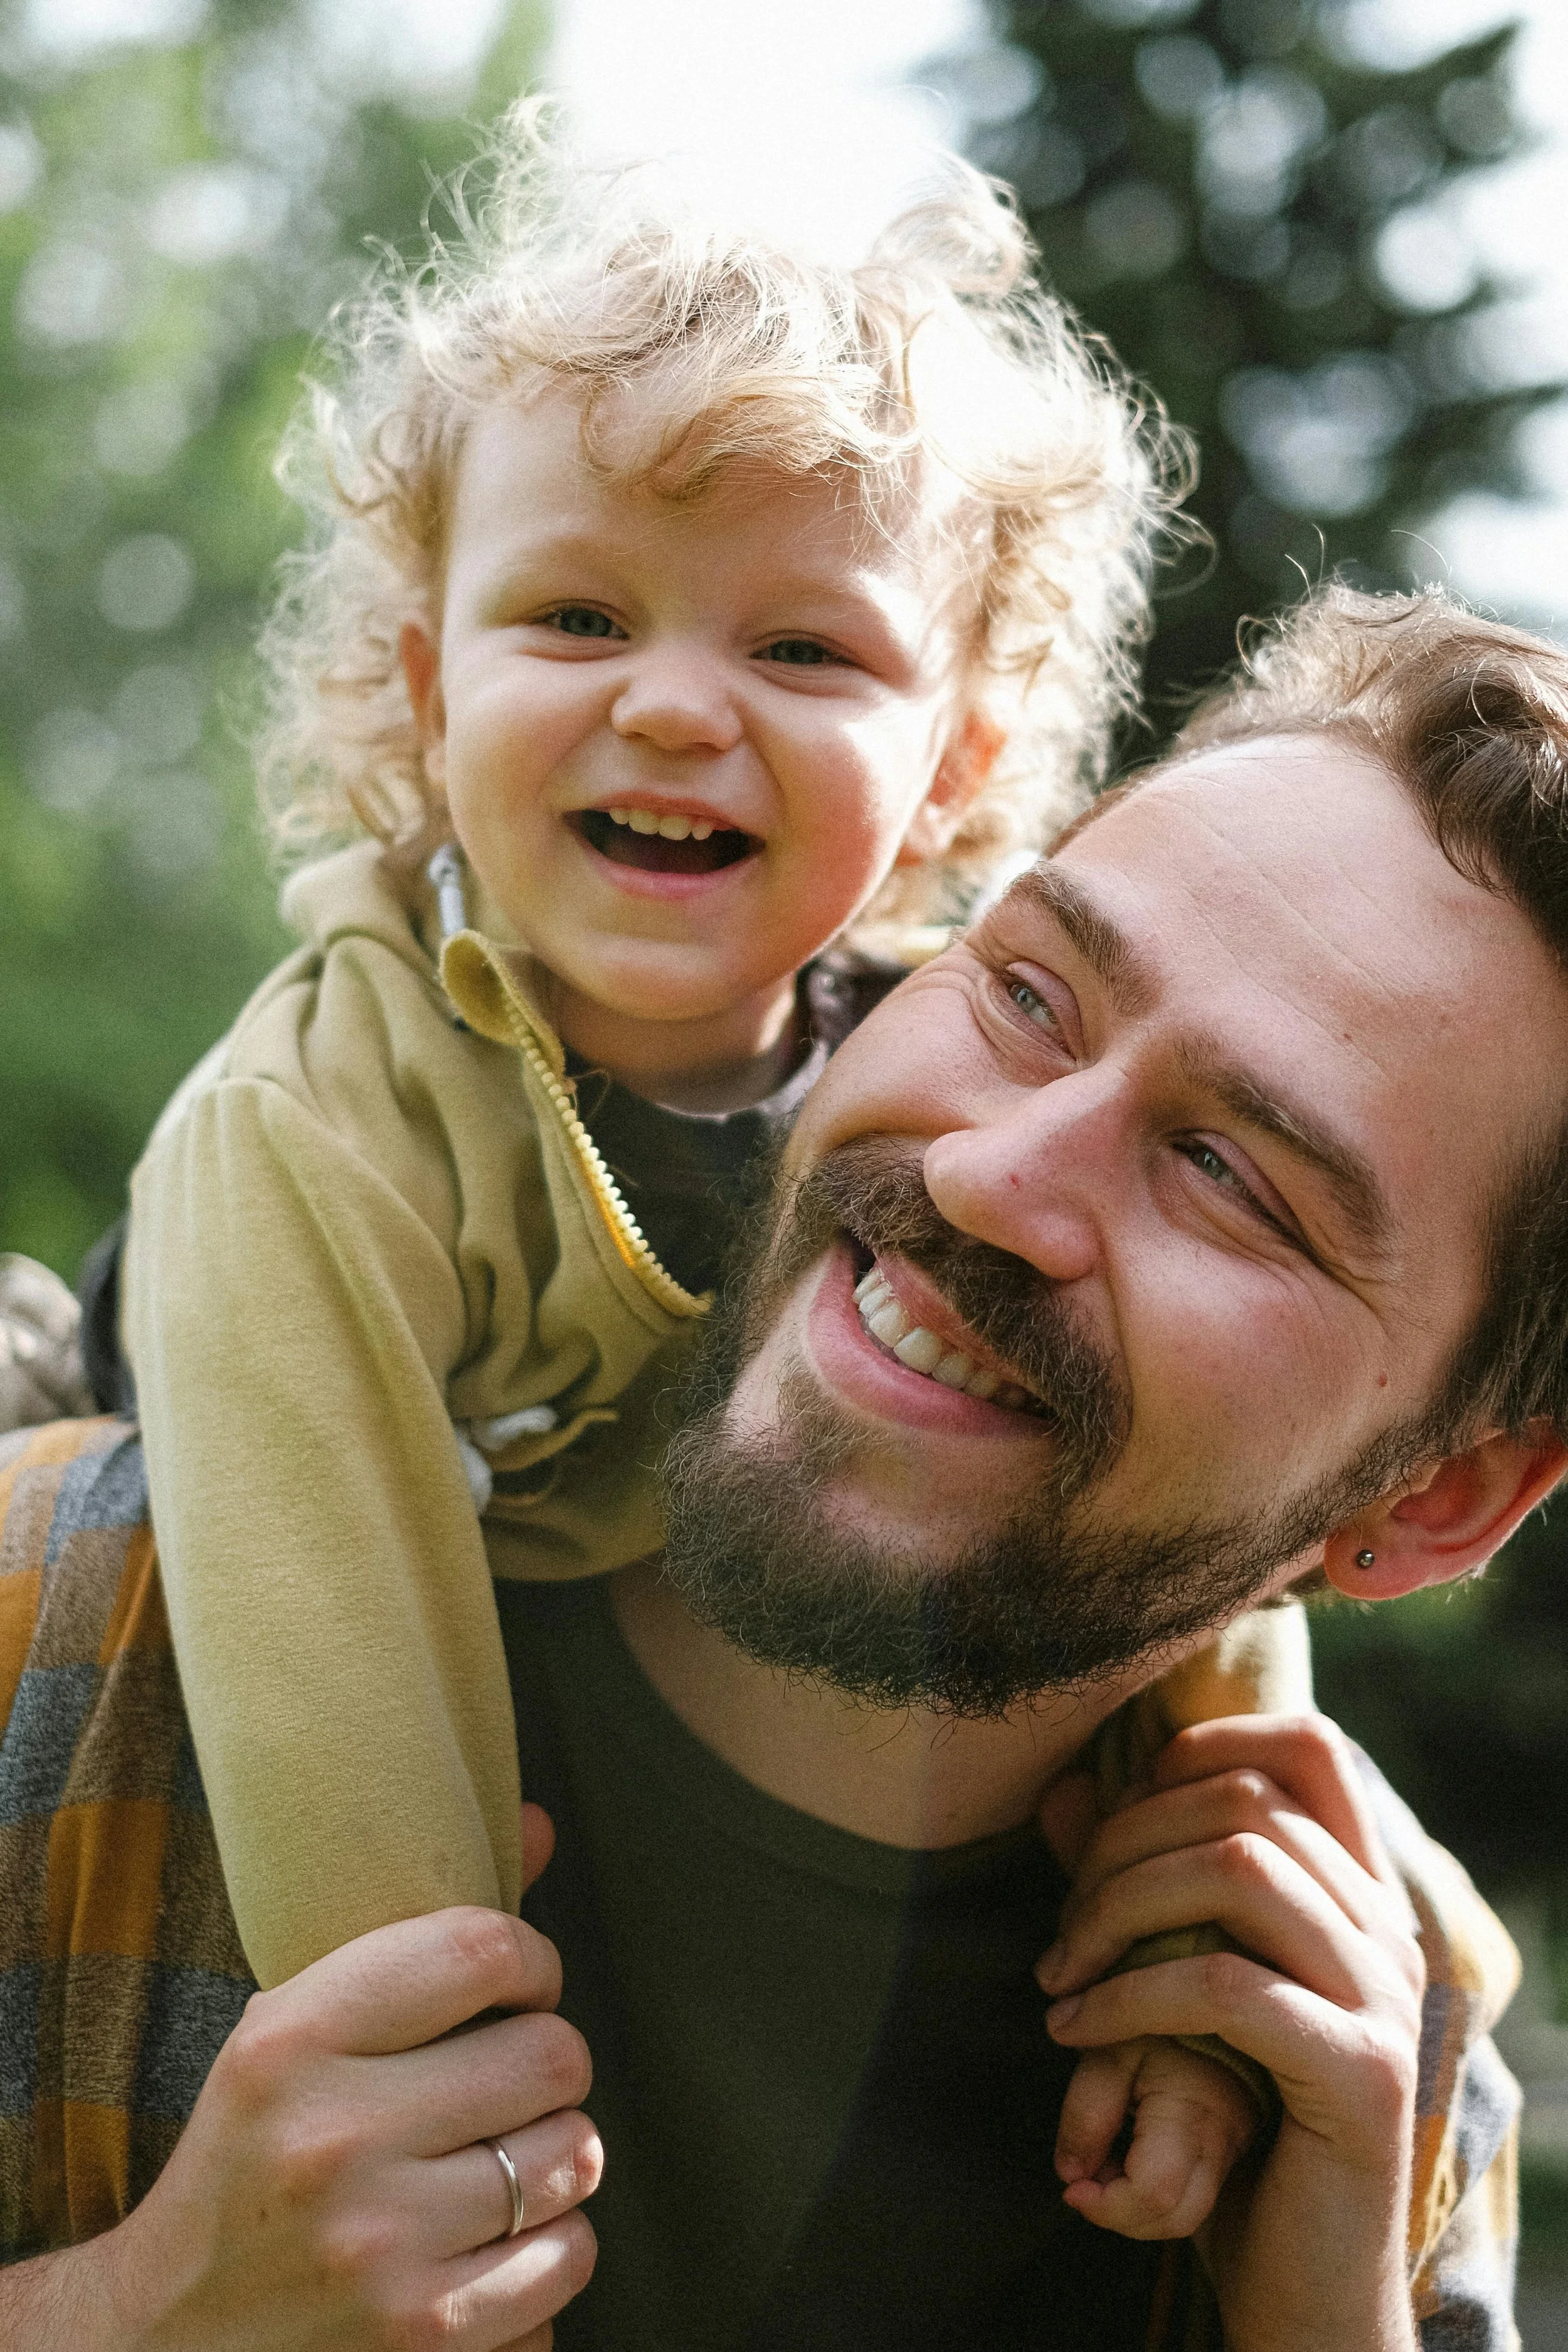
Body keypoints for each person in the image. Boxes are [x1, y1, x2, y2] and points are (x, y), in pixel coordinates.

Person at [0, 583, 1553, 2347]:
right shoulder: (48, 1629)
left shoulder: (1368, 2070)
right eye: (1030, 992)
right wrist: (130, 2312)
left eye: (1230, 1176)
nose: (987, 1176)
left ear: (1433, 1499)